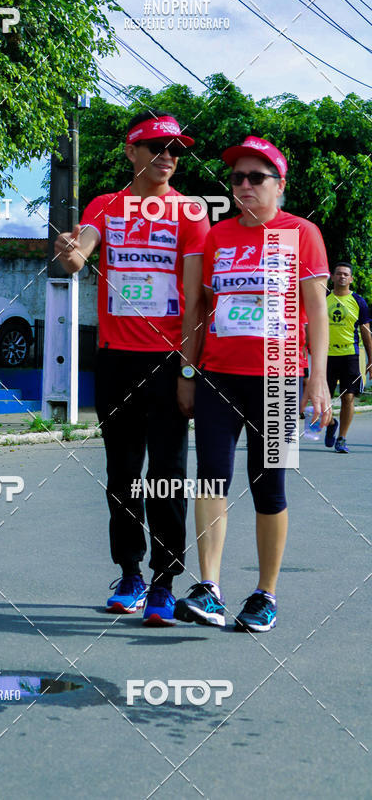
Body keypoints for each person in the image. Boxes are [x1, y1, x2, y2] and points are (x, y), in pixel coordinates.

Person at [54, 111, 209, 625]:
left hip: (167, 364)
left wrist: (188, 372)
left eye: (176, 149)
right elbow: (83, 252)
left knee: (167, 475)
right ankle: (130, 573)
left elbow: (193, 301)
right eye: (157, 146)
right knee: (122, 474)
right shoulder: (106, 205)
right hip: (117, 360)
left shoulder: (190, 213)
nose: (168, 156)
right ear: (131, 151)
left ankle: (165, 581)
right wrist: (73, 256)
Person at [175, 136, 332, 632]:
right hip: (218, 375)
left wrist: (318, 380)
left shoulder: (302, 233)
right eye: (237, 177)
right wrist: (187, 371)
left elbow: (317, 312)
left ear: (279, 185)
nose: (244, 185)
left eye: (255, 177)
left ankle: (266, 595)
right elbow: (198, 313)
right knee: (211, 477)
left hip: (281, 377)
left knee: (270, 488)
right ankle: (210, 588)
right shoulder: (217, 237)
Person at [324, 262, 372, 453]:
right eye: (339, 274)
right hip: (327, 355)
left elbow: (366, 331)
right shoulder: (323, 298)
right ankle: (331, 423)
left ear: (351, 279)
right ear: (332, 277)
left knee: (348, 397)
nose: (342, 277)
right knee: (323, 399)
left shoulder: (359, 301)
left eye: (346, 274)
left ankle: (342, 438)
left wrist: (370, 359)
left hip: (350, 355)